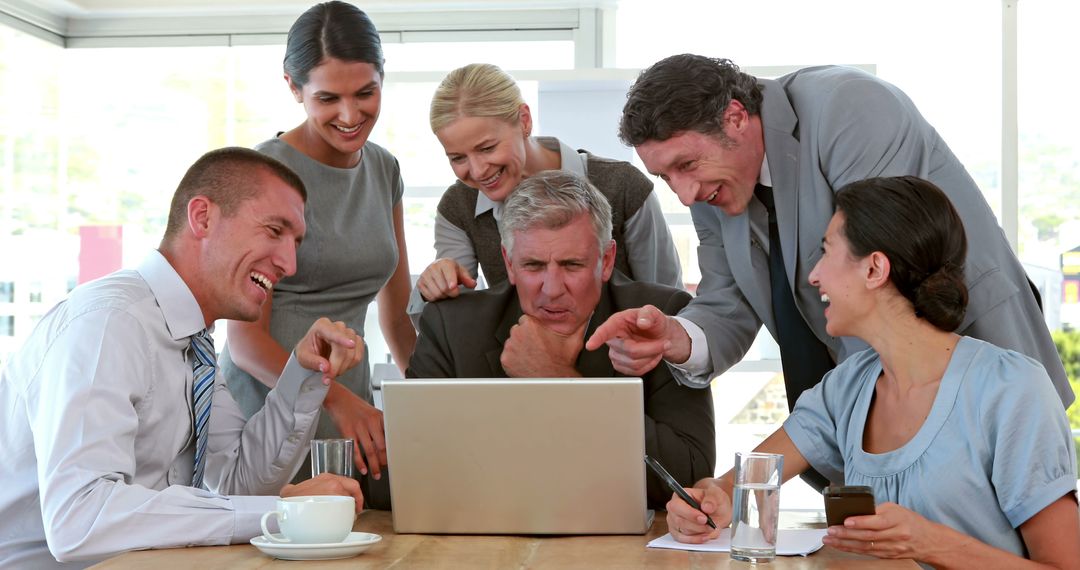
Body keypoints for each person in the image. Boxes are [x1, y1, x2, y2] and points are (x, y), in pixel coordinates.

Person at [587, 55, 1073, 426]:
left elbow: (886, 281)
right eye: (666, 176)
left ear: (735, 116)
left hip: (975, 368)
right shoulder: (715, 190)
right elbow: (724, 303)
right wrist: (676, 336)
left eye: (687, 165)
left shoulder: (852, 109)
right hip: (864, 408)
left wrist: (824, 428)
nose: (686, 194)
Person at [665, 176, 1079, 568]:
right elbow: (744, 480)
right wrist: (710, 499)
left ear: (874, 269)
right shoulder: (847, 387)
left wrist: (930, 542)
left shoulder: (1011, 391)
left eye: (826, 251)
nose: (813, 275)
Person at [0, 147, 367, 568]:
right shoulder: (110, 324)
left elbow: (237, 484)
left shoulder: (193, 341)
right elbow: (81, 516)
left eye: (295, 242)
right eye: (273, 231)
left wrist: (303, 374)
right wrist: (278, 512)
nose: (290, 263)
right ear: (202, 218)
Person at [407, 170, 715, 508]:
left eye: (571, 265)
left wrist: (558, 381)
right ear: (509, 264)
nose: (552, 290)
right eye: (533, 266)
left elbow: (686, 476)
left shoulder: (661, 316)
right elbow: (410, 470)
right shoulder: (452, 325)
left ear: (607, 260)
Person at [219, 1, 415, 508]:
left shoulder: (384, 169)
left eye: (366, 93)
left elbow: (397, 317)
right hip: (269, 409)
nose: (351, 116)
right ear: (293, 87)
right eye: (328, 98)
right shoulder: (262, 173)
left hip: (351, 416)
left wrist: (433, 405)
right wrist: (333, 398)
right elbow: (243, 344)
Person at [410, 62, 682, 316]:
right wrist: (434, 287)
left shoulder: (624, 188)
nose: (478, 170)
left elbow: (666, 305)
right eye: (458, 158)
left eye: (487, 148)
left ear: (524, 121)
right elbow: (450, 326)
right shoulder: (459, 207)